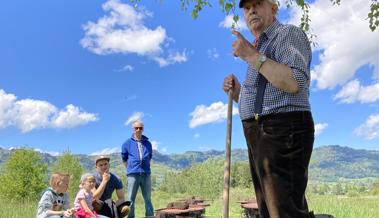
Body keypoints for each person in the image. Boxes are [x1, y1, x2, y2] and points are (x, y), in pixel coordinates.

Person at [223, 0, 314, 217]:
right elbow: (265, 98)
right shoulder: (259, 47)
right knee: (270, 211)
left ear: (273, 8)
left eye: (257, 4)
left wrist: (251, 56)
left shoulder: (287, 34)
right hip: (260, 132)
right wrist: (238, 93)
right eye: (246, 8)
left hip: (283, 129)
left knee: (284, 212)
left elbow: (295, 82)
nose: (251, 10)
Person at [121, 120, 154, 218]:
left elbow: (149, 156)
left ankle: (150, 216)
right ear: (133, 129)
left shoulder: (148, 143)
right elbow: (124, 158)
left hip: (146, 174)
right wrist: (130, 169)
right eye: (136, 128)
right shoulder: (126, 143)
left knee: (148, 199)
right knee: (131, 199)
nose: (138, 130)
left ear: (143, 129)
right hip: (133, 174)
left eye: (140, 128)